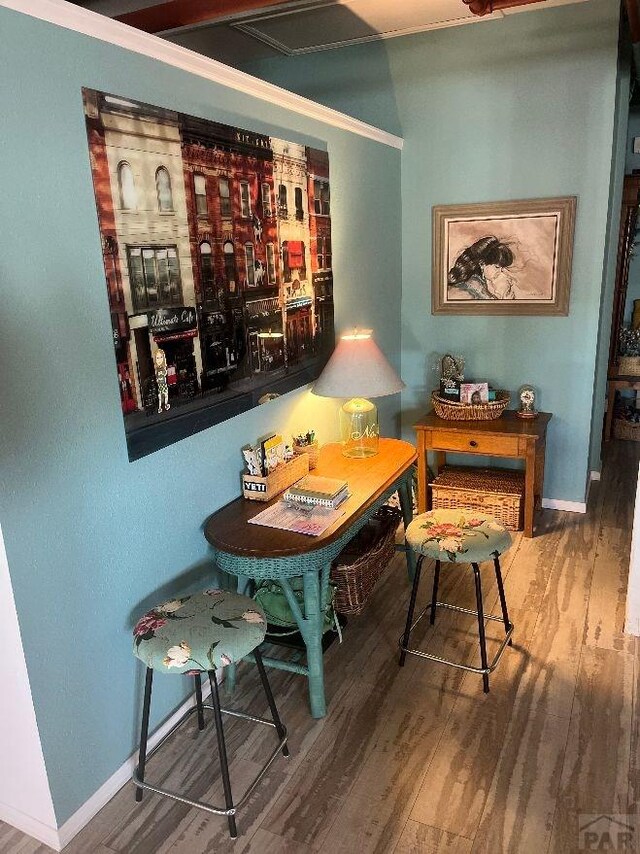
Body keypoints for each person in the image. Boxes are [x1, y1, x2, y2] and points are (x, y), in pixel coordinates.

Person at [447, 236, 516, 300]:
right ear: (482, 264)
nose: (500, 272)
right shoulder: (466, 292)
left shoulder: (481, 286)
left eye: (502, 268)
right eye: (497, 267)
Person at [154, 348, 170, 413]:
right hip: (160, 384)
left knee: (165, 394)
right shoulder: (157, 369)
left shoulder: (163, 368)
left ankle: (166, 404)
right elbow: (157, 376)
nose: (159, 359)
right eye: (157, 358)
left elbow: (165, 373)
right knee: (160, 396)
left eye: (161, 357)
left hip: (163, 384)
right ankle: (160, 407)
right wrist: (157, 379)